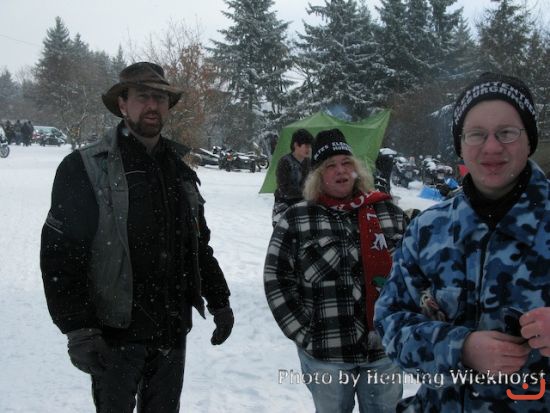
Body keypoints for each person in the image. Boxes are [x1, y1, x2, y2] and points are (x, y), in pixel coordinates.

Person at [40, 62, 234, 413]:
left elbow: (196, 245)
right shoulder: (85, 167)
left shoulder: (179, 170)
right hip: (115, 334)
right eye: (143, 96)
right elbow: (61, 254)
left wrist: (219, 300)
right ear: (122, 104)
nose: (152, 105)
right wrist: (78, 327)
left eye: (160, 98)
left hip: (171, 330)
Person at [374, 72, 550, 411]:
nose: (492, 147)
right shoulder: (427, 230)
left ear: (529, 140)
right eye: (476, 134)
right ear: (460, 145)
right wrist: (460, 348)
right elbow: (390, 323)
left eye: (507, 132)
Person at [264, 129, 408, 413]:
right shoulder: (297, 219)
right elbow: (276, 280)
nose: (341, 170)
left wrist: (404, 326)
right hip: (326, 355)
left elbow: (415, 274)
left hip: (384, 352)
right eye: (330, 165)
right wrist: (305, 334)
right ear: (318, 176)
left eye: (346, 162)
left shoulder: (388, 213)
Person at [272, 128, 313, 226]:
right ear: (296, 145)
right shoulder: (285, 162)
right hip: (284, 204)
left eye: (310, 146)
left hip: (303, 204)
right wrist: (306, 193)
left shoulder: (308, 162)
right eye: (306, 146)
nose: (309, 149)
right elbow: (284, 188)